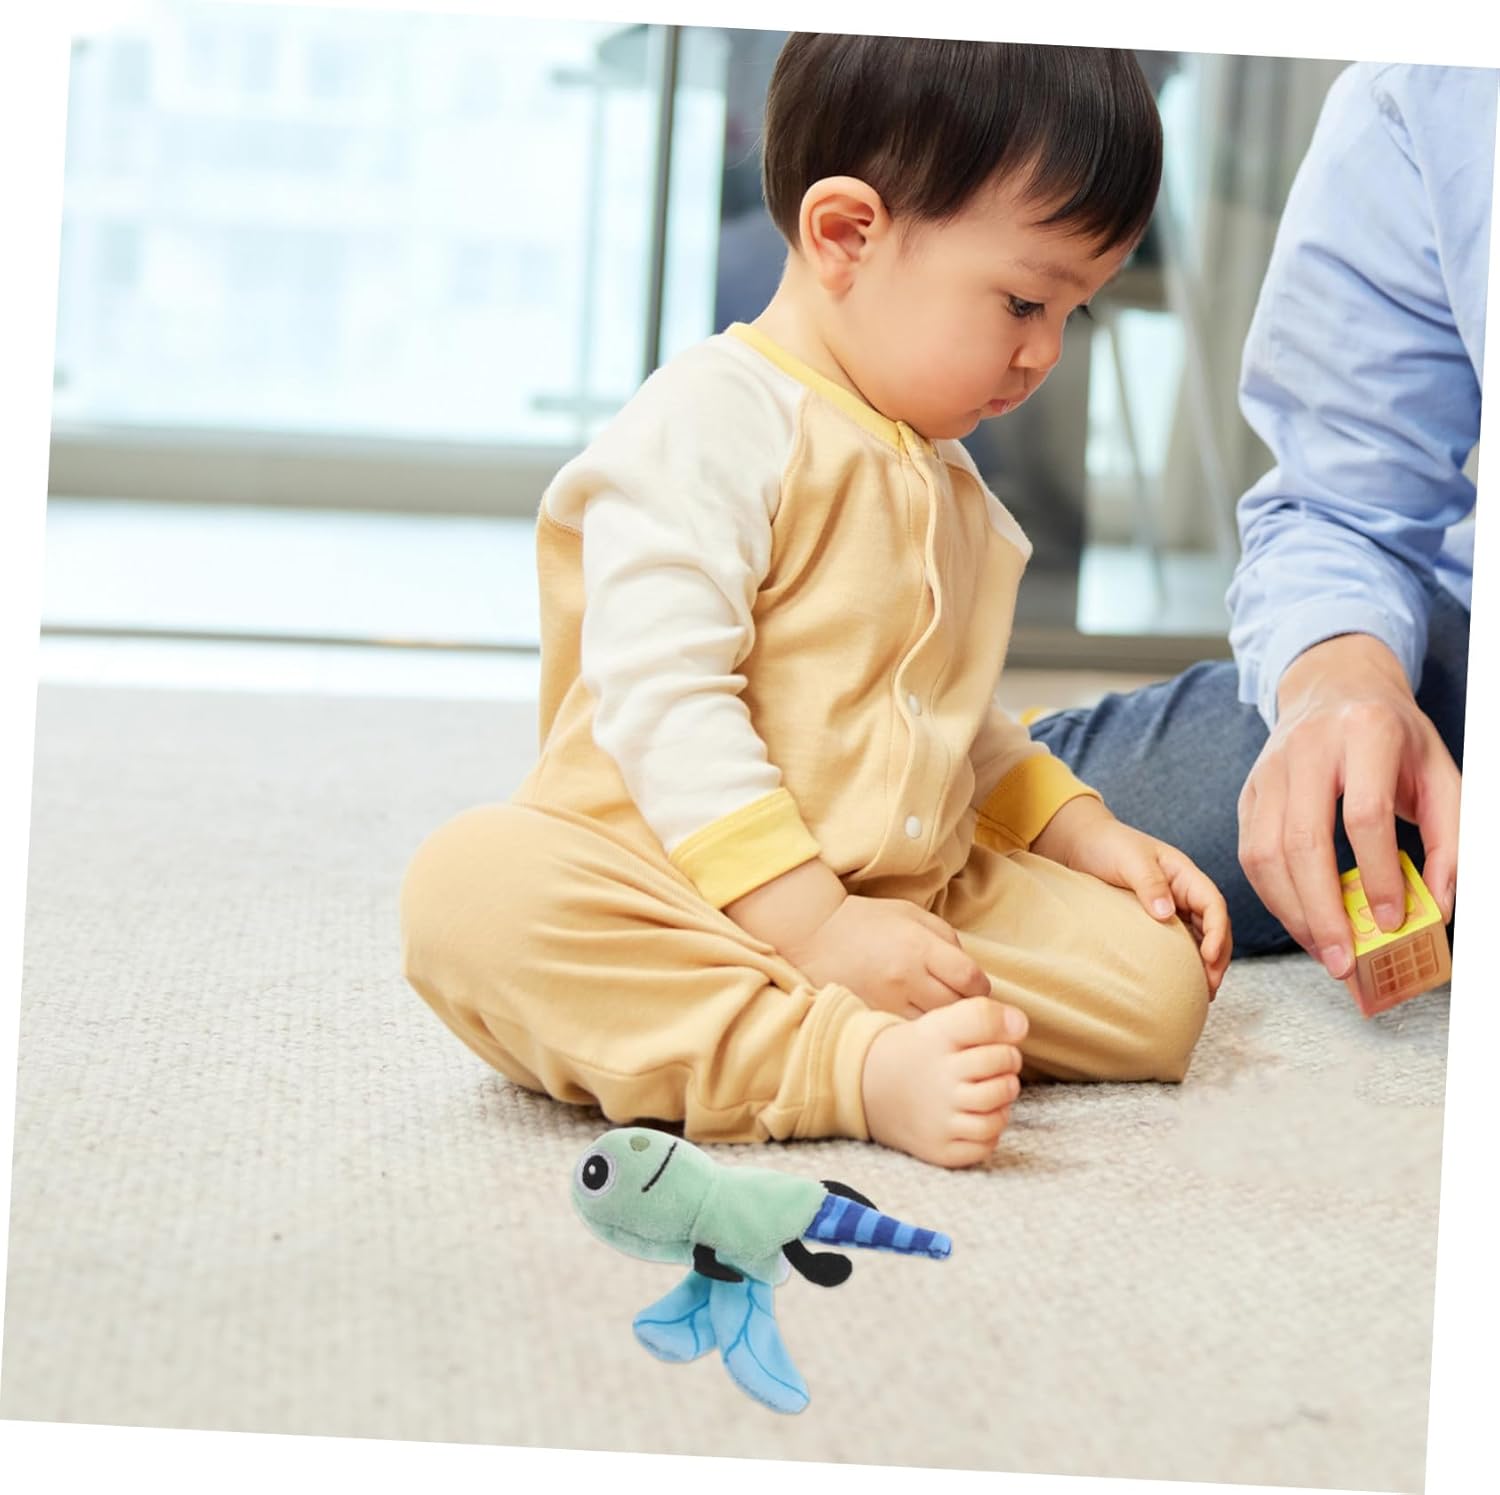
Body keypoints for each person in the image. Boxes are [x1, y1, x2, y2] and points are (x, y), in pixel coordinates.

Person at [399, 36, 1229, 1171]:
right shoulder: (711, 421)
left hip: (900, 890)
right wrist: (814, 924)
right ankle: (842, 1063)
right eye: (1025, 301)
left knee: (1158, 983)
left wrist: (1084, 831)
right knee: (472, 896)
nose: (1042, 353)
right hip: (677, 885)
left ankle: (808, 1006)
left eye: (1071, 315)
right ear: (846, 234)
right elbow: (663, 698)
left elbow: (944, 717)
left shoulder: (941, 470)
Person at [1030, 63, 1493, 987]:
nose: (1040, 355)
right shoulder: (1431, 88)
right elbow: (1341, 504)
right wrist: (1342, 681)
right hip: (1470, 657)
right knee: (1015, 812)